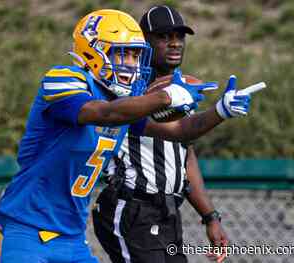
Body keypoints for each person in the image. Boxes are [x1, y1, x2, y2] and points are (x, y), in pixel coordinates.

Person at [0, 8, 251, 263]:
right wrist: (166, 96)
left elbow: (179, 131)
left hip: (71, 238)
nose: (129, 63)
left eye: (135, 55)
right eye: (121, 54)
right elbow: (102, 113)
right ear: (92, 50)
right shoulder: (63, 79)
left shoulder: (122, 101)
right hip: (24, 230)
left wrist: (220, 111)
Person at [92, 6, 237, 263]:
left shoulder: (180, 89)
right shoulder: (126, 87)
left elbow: (184, 150)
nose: (174, 44)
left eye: (179, 37)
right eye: (164, 37)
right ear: (143, 41)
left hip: (167, 211)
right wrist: (218, 112)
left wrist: (210, 216)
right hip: (132, 205)